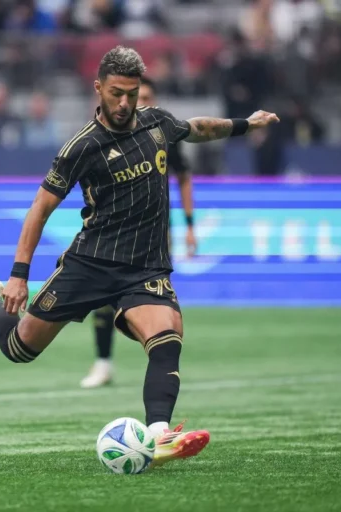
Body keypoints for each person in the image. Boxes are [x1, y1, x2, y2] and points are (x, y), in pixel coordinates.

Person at [0, 46, 279, 466]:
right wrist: (18, 276)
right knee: (20, 348)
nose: (124, 103)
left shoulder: (157, 123)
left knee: (167, 339)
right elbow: (39, 209)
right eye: (116, 93)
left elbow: (199, 128)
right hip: (91, 263)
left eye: (132, 94)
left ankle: (159, 435)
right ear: (98, 88)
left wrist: (246, 124)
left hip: (146, 266)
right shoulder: (82, 147)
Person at [81, 76, 197, 389]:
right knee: (102, 297)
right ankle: (103, 363)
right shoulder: (107, 135)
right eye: (136, 97)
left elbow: (184, 176)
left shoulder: (164, 134)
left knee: (154, 298)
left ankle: (161, 363)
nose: (138, 103)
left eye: (145, 97)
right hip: (114, 233)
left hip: (154, 235)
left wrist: (190, 226)